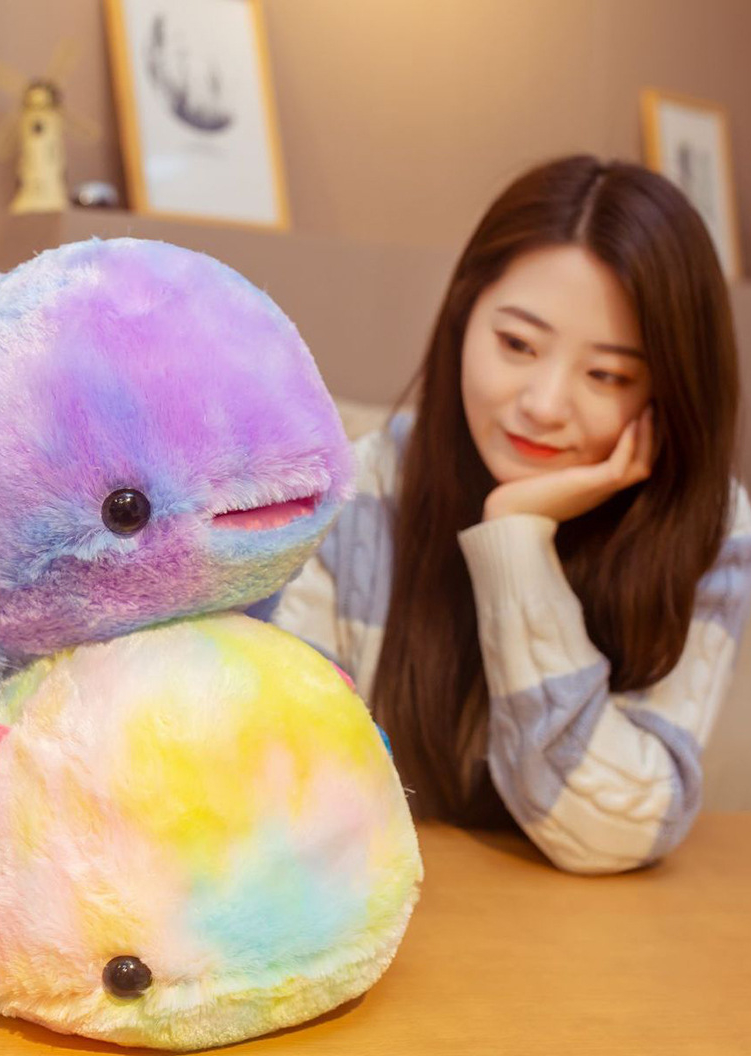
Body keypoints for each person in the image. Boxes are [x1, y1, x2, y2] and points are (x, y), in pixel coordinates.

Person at [271, 154, 751, 874]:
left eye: (606, 375)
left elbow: (611, 832)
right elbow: (280, 783)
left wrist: (516, 543)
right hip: (383, 907)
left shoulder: (707, 529)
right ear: (464, 318)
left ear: (668, 390)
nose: (544, 404)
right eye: (517, 344)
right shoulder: (364, 486)